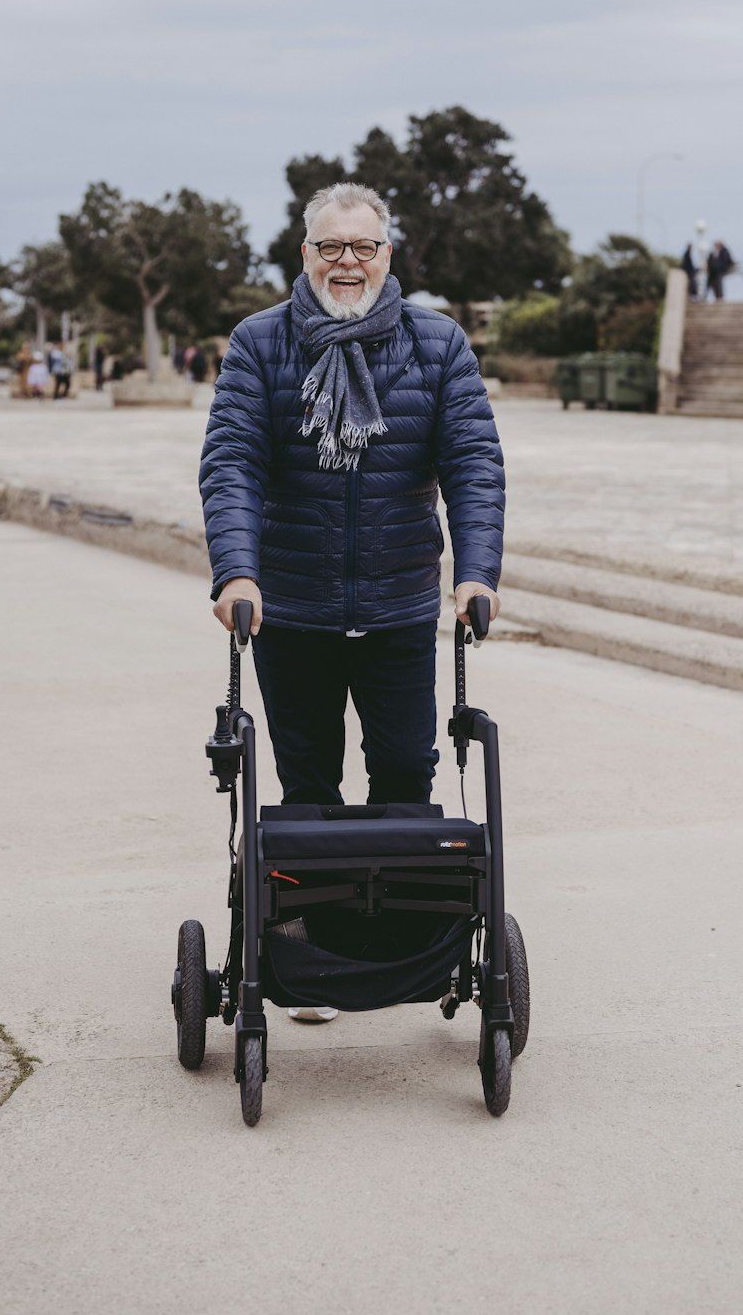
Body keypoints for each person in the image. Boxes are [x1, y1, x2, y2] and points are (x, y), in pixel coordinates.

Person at [199, 182, 505, 1024]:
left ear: (387, 257)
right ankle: (313, 954)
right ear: (304, 254)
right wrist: (236, 572)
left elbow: (474, 462)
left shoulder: (436, 344)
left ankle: (404, 946)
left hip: (402, 606)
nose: (347, 262)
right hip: (291, 609)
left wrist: (476, 572)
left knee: (408, 773)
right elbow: (232, 464)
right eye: (330, 247)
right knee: (308, 787)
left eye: (362, 247)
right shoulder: (260, 344)